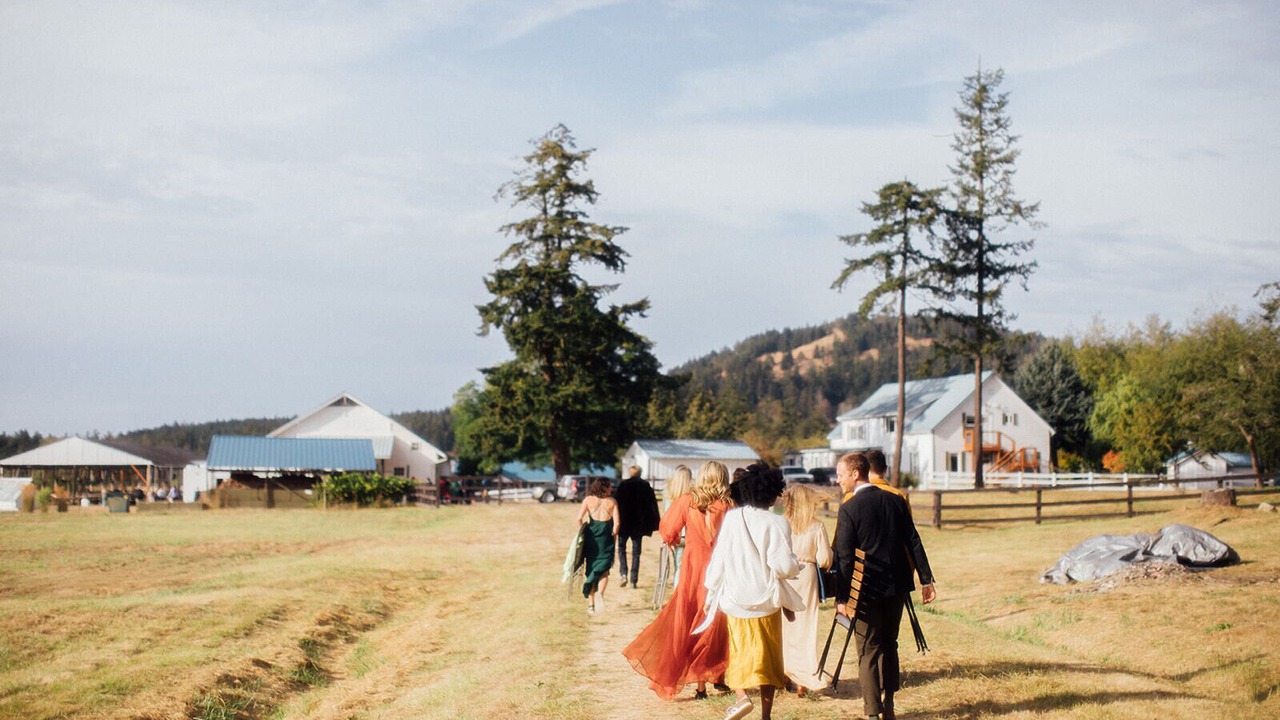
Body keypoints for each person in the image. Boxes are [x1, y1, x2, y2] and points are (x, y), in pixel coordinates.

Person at [833, 452, 937, 720]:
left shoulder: (849, 508)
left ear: (856, 474)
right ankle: (888, 705)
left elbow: (844, 557)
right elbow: (913, 540)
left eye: (840, 475)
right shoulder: (895, 500)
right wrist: (926, 579)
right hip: (897, 585)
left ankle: (870, 712)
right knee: (890, 643)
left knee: (868, 649)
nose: (837, 480)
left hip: (865, 589)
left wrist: (841, 597)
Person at [623, 461, 732, 699]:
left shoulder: (687, 500)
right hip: (719, 570)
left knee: (689, 622)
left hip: (693, 569)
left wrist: (675, 539)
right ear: (723, 477)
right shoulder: (728, 504)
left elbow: (668, 529)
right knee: (715, 622)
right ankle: (714, 676)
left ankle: (702, 684)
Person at [704, 463, 802, 720]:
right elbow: (783, 566)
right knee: (768, 657)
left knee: (739, 651)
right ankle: (766, 715)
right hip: (767, 599)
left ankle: (742, 698)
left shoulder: (733, 519)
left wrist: (710, 591)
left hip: (735, 597)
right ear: (772, 492)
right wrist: (796, 566)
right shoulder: (777, 523)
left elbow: (720, 558)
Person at [780, 483, 832, 697]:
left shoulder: (781, 524)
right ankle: (804, 676)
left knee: (785, 627)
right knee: (807, 626)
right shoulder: (817, 526)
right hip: (807, 575)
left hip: (785, 575)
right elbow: (824, 559)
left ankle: (786, 672)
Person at [576, 478, 619, 614]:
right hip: (606, 539)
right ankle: (600, 593)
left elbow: (579, 518)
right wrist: (613, 536)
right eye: (609, 486)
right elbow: (617, 524)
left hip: (591, 539)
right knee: (604, 570)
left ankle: (591, 606)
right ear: (604, 488)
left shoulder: (588, 500)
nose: (611, 489)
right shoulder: (612, 502)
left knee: (592, 569)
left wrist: (583, 532)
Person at [614, 465, 660, 588]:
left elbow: (616, 503)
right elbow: (652, 505)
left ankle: (623, 573)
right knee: (636, 552)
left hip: (624, 523)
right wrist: (655, 522)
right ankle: (634, 580)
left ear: (630, 473)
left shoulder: (624, 485)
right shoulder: (645, 486)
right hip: (638, 524)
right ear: (640, 473)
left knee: (621, 549)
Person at [663, 465, 694, 590]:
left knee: (679, 567)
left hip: (675, 535)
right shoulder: (693, 497)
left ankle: (678, 591)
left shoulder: (670, 496)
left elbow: (666, 518)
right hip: (690, 535)